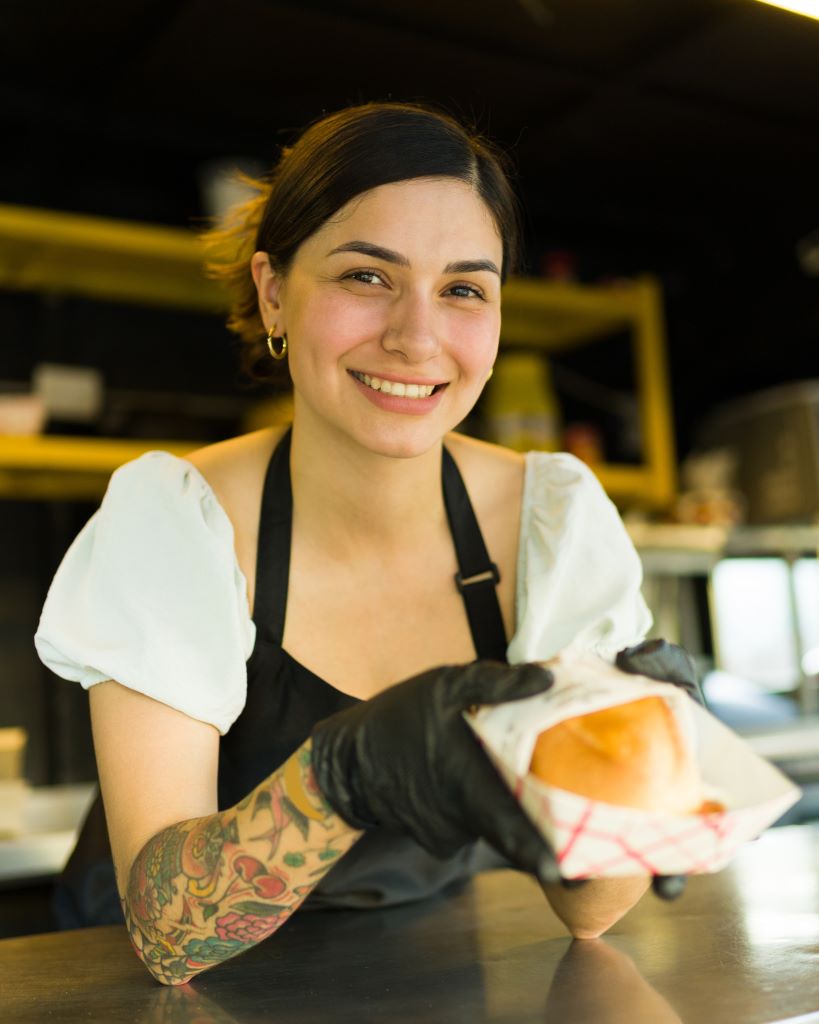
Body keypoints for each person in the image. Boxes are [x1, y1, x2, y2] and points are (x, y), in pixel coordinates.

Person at [35, 102, 697, 987]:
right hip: (147, 994)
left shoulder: (552, 516)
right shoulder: (176, 519)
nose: (416, 336)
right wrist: (340, 777)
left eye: (463, 288)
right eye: (366, 276)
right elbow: (168, 938)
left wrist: (637, 770)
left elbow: (588, 909)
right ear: (274, 290)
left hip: (414, 974)